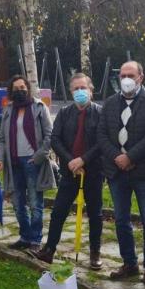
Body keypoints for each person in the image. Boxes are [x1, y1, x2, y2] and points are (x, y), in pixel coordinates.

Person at [97, 61, 145, 284]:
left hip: (143, 171)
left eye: (130, 75)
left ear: (141, 77)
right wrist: (118, 157)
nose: (126, 79)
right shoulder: (109, 103)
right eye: (123, 75)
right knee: (121, 220)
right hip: (117, 172)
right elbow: (102, 135)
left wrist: (131, 157)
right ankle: (129, 262)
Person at [31, 73, 104, 269]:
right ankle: (49, 250)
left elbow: (102, 142)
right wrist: (71, 161)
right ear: (71, 92)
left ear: (91, 90)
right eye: (75, 89)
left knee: (95, 214)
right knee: (58, 212)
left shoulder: (100, 113)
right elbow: (55, 139)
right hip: (69, 172)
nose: (80, 92)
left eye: (83, 88)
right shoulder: (64, 113)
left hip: (93, 172)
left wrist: (83, 160)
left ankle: (95, 253)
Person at [0, 75, 56, 249]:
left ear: (28, 88)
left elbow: (50, 135)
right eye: (16, 88)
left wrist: (38, 157)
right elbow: (1, 138)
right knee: (17, 203)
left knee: (36, 203)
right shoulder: (8, 110)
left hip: (33, 163)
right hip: (13, 164)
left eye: (23, 87)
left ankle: (35, 239)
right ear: (11, 91)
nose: (20, 90)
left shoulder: (39, 107)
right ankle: (25, 236)